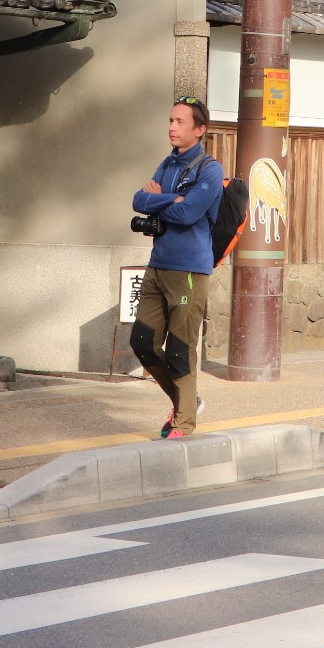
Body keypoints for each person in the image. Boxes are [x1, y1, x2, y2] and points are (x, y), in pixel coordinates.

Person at [127, 98, 225, 437]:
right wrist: (172, 199)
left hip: (189, 271)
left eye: (180, 121)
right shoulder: (167, 163)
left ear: (199, 130)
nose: (172, 126)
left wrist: (159, 201)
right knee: (142, 342)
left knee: (180, 349)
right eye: (170, 119)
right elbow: (139, 201)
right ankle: (187, 400)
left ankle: (184, 420)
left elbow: (189, 214)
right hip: (158, 266)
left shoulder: (210, 169)